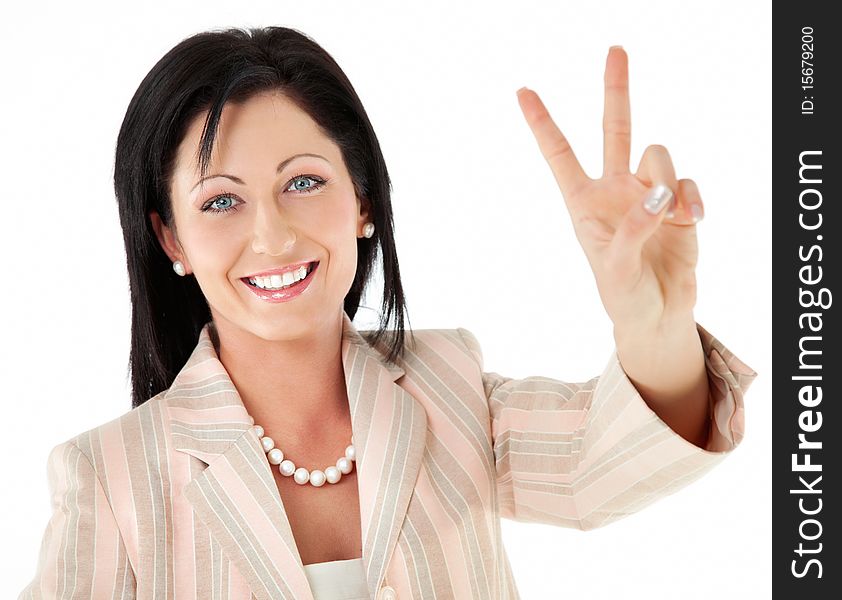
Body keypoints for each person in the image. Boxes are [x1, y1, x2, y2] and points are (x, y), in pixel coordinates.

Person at [18, 26, 757, 600]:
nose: (272, 235)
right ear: (170, 237)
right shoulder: (109, 478)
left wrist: (651, 322)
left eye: (302, 182)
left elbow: (608, 466)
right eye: (221, 200)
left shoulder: (452, 387)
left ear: (364, 201)